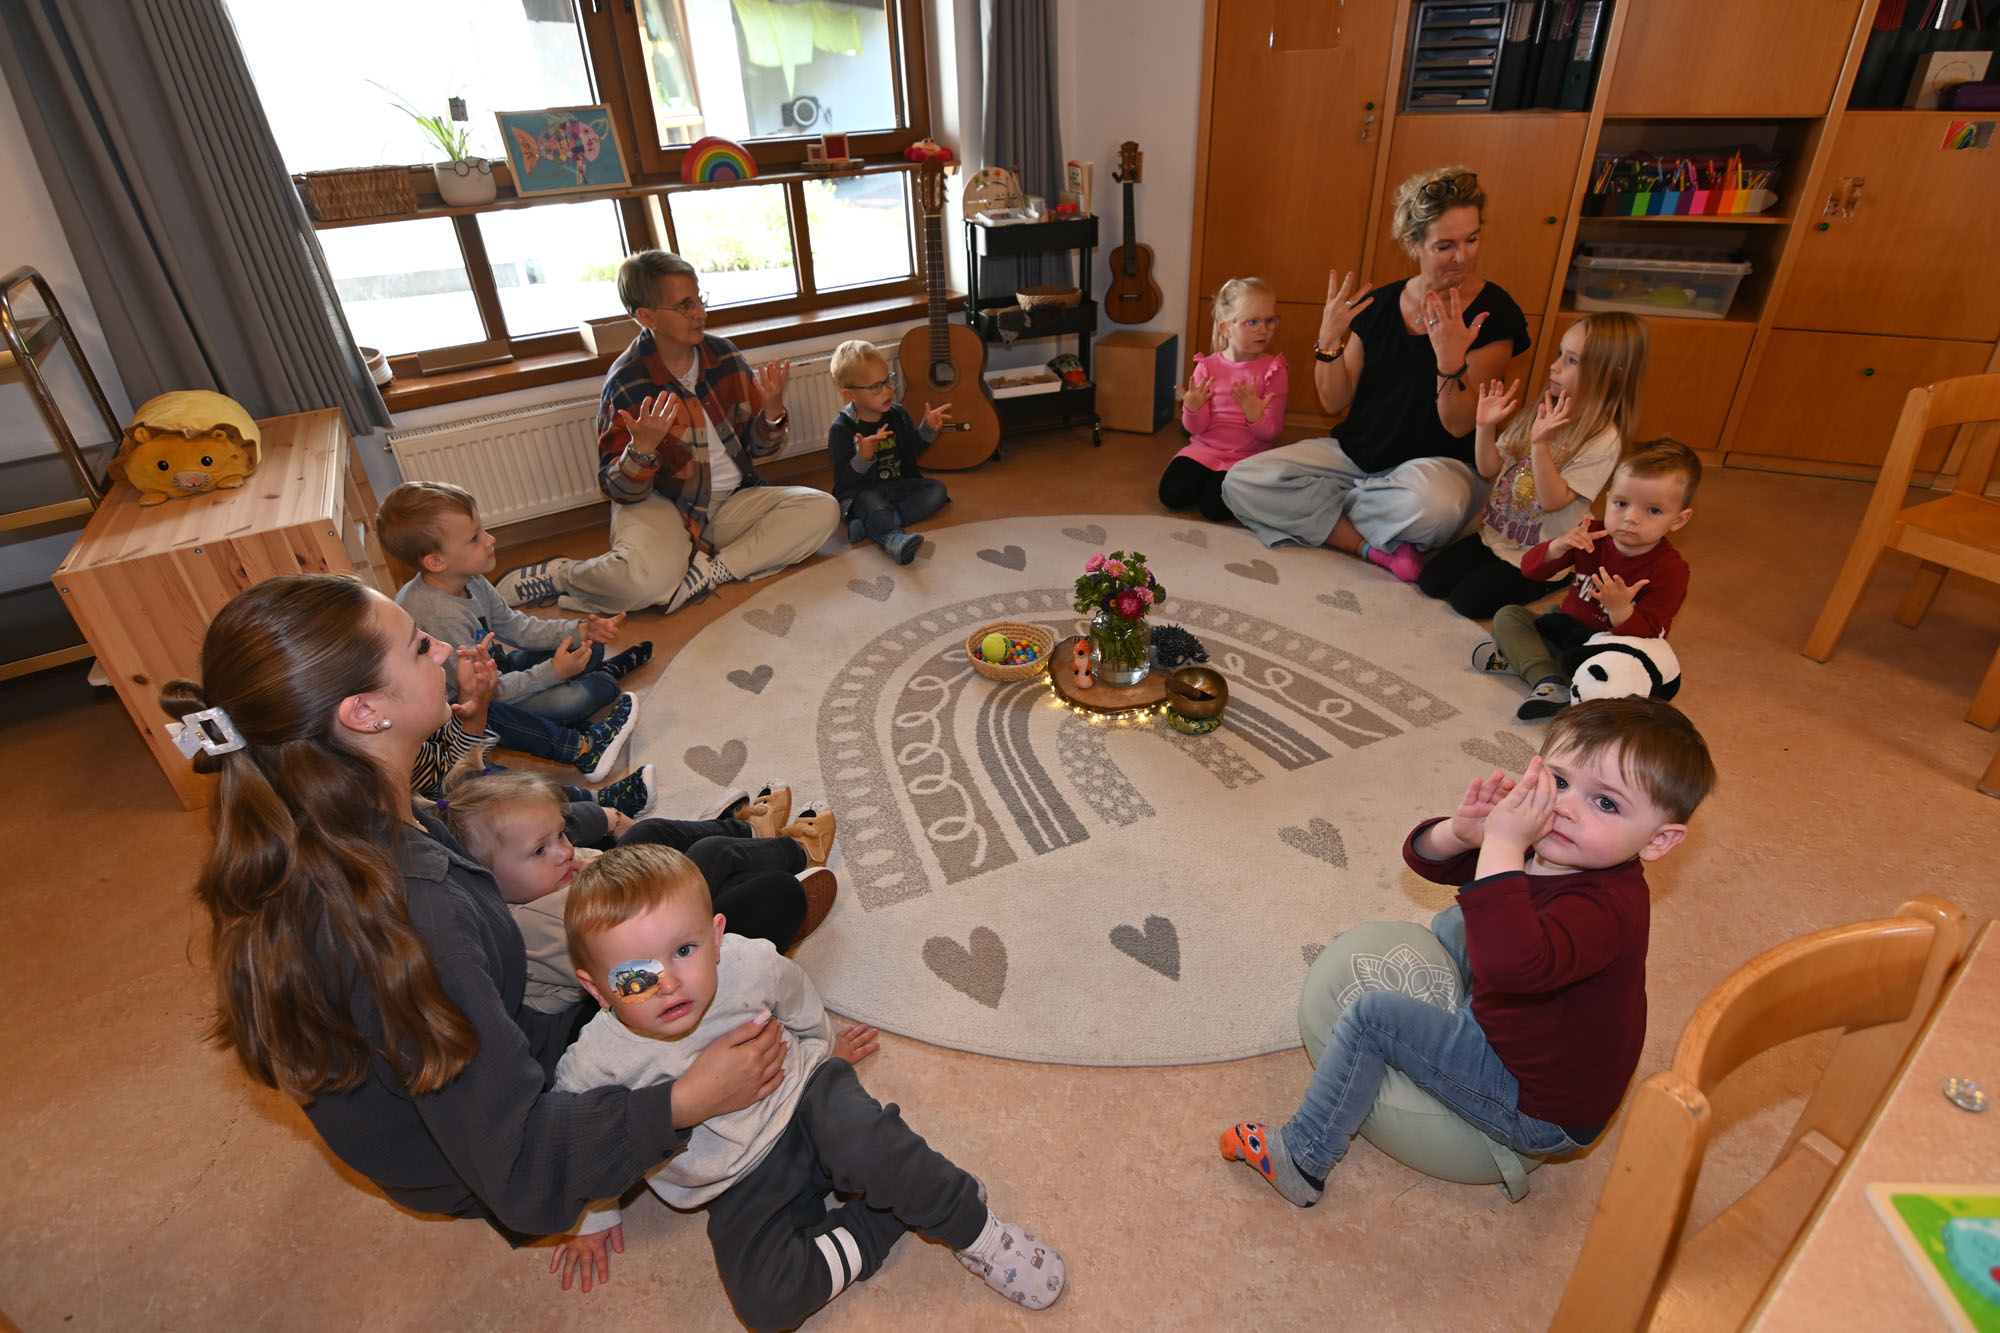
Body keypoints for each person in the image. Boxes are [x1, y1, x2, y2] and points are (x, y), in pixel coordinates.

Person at [162, 572, 801, 1243]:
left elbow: (471, 827)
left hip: (490, 1057)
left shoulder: (340, 811)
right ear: (363, 712)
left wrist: (585, 821)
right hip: (492, 1151)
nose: (442, 648)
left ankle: (733, 859)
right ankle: (759, 861)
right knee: (744, 921)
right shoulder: (418, 918)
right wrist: (686, 1101)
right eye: (419, 646)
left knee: (676, 900)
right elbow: (519, 1167)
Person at [1221, 698, 1716, 1207]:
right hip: (1525, 1029)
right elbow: (1425, 861)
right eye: (1560, 782)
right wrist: (1461, 834)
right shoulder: (1555, 844)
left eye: (1606, 803)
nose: (1565, 808)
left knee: (1373, 1019)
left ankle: (1303, 1157)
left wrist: (1503, 846)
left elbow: (1508, 965)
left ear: (1659, 841)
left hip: (1535, 1107)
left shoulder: (1608, 909)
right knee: (1460, 918)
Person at [548, 845, 1067, 1322]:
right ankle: (891, 1213)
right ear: (597, 990)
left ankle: (976, 1231)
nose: (670, 983)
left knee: (866, 1141)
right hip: (733, 1179)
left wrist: (825, 1048)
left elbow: (795, 994)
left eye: (685, 949)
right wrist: (593, 1218)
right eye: (635, 977)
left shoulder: (748, 963)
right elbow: (578, 1144)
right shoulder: (594, 1061)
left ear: (717, 935)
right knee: (765, 1303)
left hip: (804, 1098)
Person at [1221, 167, 1531, 580]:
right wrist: (1329, 340)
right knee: (1242, 481)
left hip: (1438, 467)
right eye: (1445, 246)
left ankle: (1327, 507)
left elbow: (1459, 426)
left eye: (1471, 239)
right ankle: (1365, 543)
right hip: (1359, 455)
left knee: (1435, 510)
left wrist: (1449, 361)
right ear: (1412, 243)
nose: (1463, 256)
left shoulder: (1494, 312)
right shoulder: (1381, 303)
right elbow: (1335, 401)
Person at [495, 250, 840, 615]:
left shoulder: (724, 356)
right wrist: (641, 451)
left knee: (822, 509)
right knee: (646, 585)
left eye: (700, 300)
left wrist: (772, 415)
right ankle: (564, 576)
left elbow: (760, 450)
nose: (700, 313)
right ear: (647, 317)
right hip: (660, 504)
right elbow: (619, 490)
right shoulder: (627, 381)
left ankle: (713, 570)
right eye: (685, 305)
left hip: (730, 501)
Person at [435, 768, 838, 1016]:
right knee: (752, 879)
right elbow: (644, 945)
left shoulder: (549, 877)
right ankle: (797, 852)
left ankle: (751, 833)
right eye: (540, 850)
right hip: (650, 971)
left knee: (650, 830)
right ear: (487, 877)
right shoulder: (530, 928)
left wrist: (607, 856)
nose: (564, 852)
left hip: (644, 912)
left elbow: (609, 866)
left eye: (560, 834)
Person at [380, 481, 647, 783]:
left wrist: (580, 628)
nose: (490, 539)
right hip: (478, 703)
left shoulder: (470, 577)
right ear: (436, 561)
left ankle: (594, 674)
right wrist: (553, 672)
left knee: (587, 645)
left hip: (497, 671)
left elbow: (515, 626)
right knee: (580, 697)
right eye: (475, 538)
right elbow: (487, 694)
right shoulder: (439, 616)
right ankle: (602, 683)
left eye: (483, 529)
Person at [1418, 312, 1650, 620]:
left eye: (1572, 360)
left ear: (1611, 373)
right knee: (1431, 581)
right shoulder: (1540, 409)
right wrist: (1484, 426)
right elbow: (1489, 469)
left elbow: (1553, 501)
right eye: (1560, 354)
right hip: (1498, 536)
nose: (1555, 366)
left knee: (1466, 601)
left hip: (1543, 555)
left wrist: (1540, 446)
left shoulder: (1603, 439)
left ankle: (1559, 578)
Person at [1483, 439, 1699, 720]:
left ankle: (1530, 664)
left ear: (1678, 520)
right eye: (1621, 503)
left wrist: (1620, 610)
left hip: (1611, 648)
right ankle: (1550, 680)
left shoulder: (1671, 569)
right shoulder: (1592, 535)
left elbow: (1651, 634)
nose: (1631, 518)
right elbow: (1530, 570)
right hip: (1568, 630)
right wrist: (1557, 546)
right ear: (1607, 499)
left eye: (1653, 510)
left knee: (1617, 680)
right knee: (1509, 616)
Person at [1160, 276, 1289, 523]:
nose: (1264, 329)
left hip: (1247, 456)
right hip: (1203, 450)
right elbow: (1195, 429)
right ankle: (1209, 480)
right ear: (1226, 328)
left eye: (1270, 320)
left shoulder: (1274, 370)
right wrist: (1192, 409)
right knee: (1172, 495)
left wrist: (1254, 415)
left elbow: (1271, 433)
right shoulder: (1206, 367)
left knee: (1214, 509)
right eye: (1253, 321)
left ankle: (1222, 486)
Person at [824, 338, 952, 565]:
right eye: (875, 387)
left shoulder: (898, 414)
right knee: (870, 502)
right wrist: (863, 458)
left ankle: (872, 525)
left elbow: (912, 451)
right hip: (861, 493)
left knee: (936, 490)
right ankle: (892, 538)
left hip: (897, 485)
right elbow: (845, 479)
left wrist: (927, 429)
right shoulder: (842, 429)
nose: (887, 391)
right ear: (851, 395)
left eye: (888, 381)